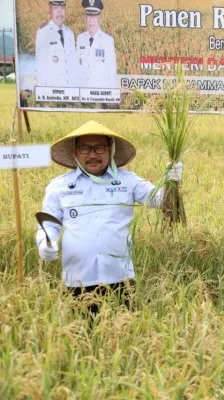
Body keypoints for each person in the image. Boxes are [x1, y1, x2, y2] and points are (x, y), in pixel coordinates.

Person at [36, 121, 183, 315]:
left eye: (99, 148)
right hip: (77, 281)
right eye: (85, 148)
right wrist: (45, 242)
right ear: (75, 152)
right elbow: (49, 223)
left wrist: (172, 182)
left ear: (110, 150)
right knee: (79, 340)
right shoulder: (60, 186)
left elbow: (160, 201)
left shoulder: (128, 181)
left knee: (123, 339)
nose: (93, 154)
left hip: (120, 280)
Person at [35, 0, 78, 87]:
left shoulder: (70, 34)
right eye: (55, 8)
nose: (59, 13)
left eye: (62, 8)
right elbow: (40, 67)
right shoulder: (43, 32)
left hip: (70, 91)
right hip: (52, 93)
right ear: (50, 10)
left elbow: (73, 66)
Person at [77, 0, 118, 88]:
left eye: (94, 16)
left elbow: (112, 73)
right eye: (88, 16)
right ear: (84, 18)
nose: (91, 20)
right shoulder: (80, 38)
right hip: (82, 96)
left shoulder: (107, 40)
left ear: (100, 19)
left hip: (100, 97)